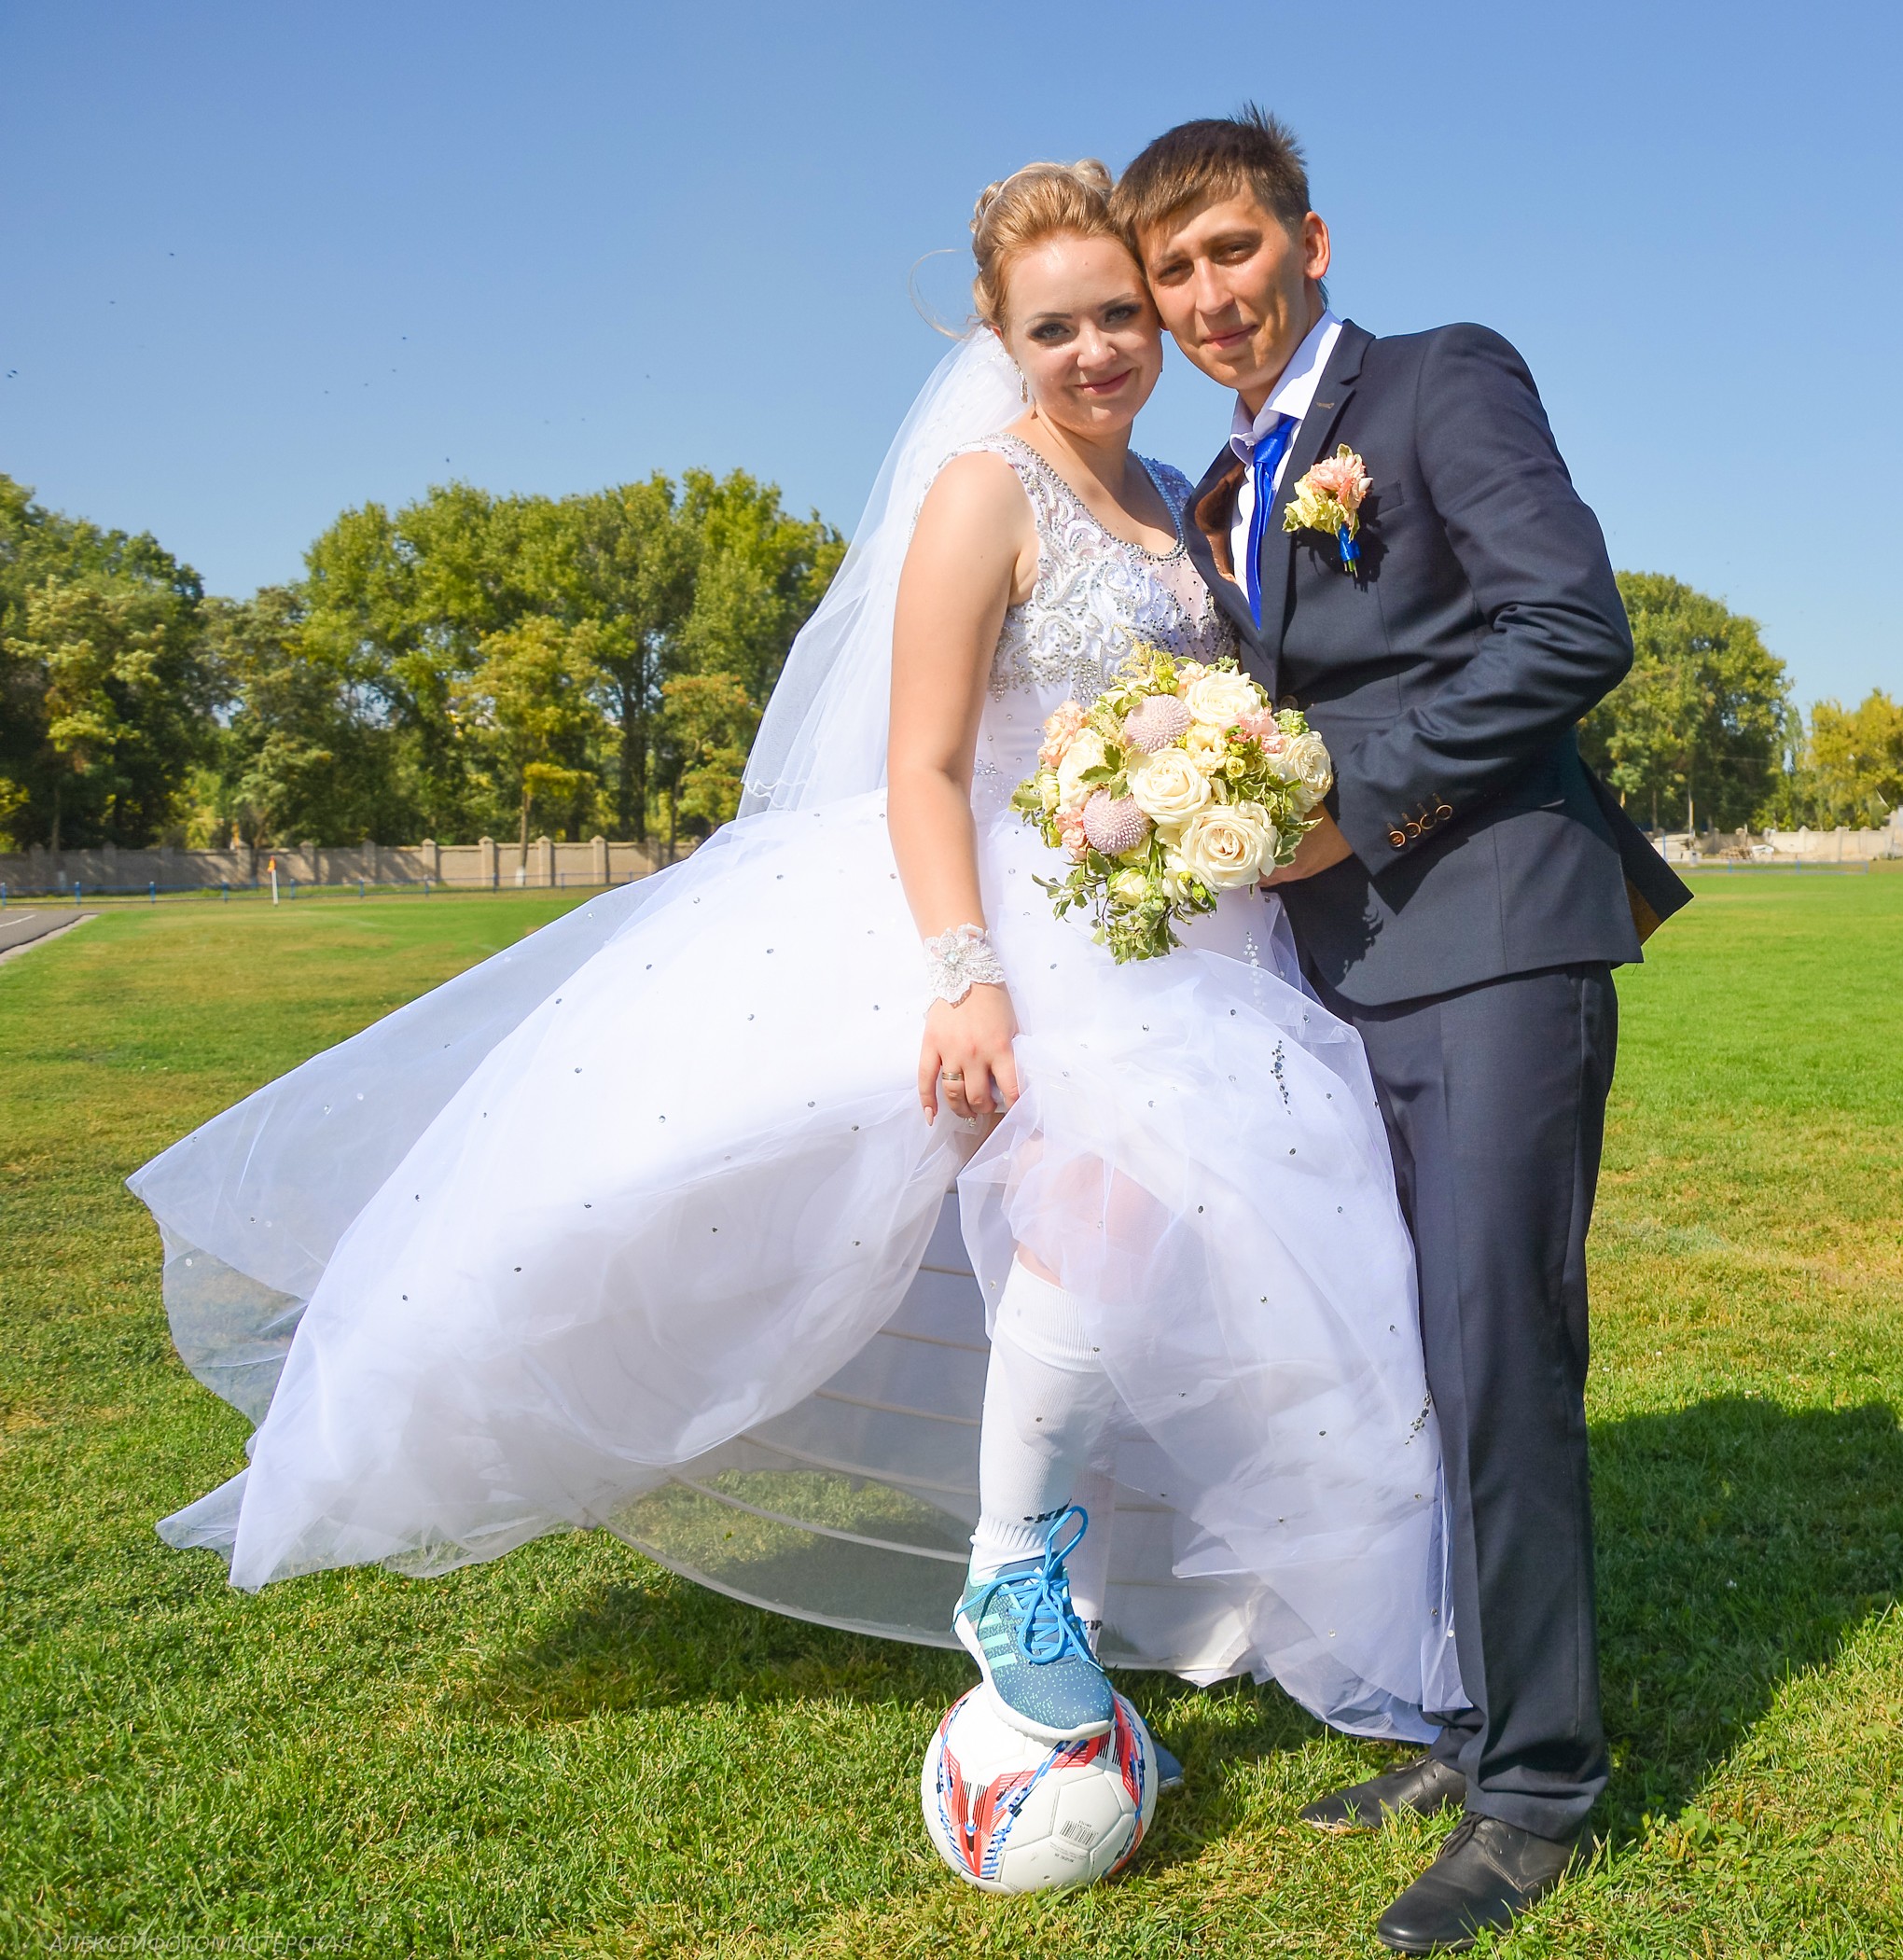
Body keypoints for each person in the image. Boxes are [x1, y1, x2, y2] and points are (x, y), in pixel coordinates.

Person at [130, 160, 1459, 1778]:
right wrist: (965, 970)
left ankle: (1146, 1594)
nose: (1100, 348)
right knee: (1096, 1200)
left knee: (1218, 1253)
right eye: (1056, 327)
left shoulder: (1183, 490)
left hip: (1200, 929)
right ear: (1001, 335)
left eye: (1122, 313)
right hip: (1036, 921)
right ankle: (1015, 1572)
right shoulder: (985, 491)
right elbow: (923, 762)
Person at [1115, 109, 1693, 1954]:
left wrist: (1345, 795)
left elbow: (1567, 626)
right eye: (1172, 272)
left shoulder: (1441, 381)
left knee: (1498, 1349)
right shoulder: (1220, 492)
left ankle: (1540, 1789)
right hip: (1336, 975)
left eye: (1231, 250)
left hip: (1503, 935)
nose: (1207, 295)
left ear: (1308, 241)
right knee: (1406, 1357)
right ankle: (1467, 1717)